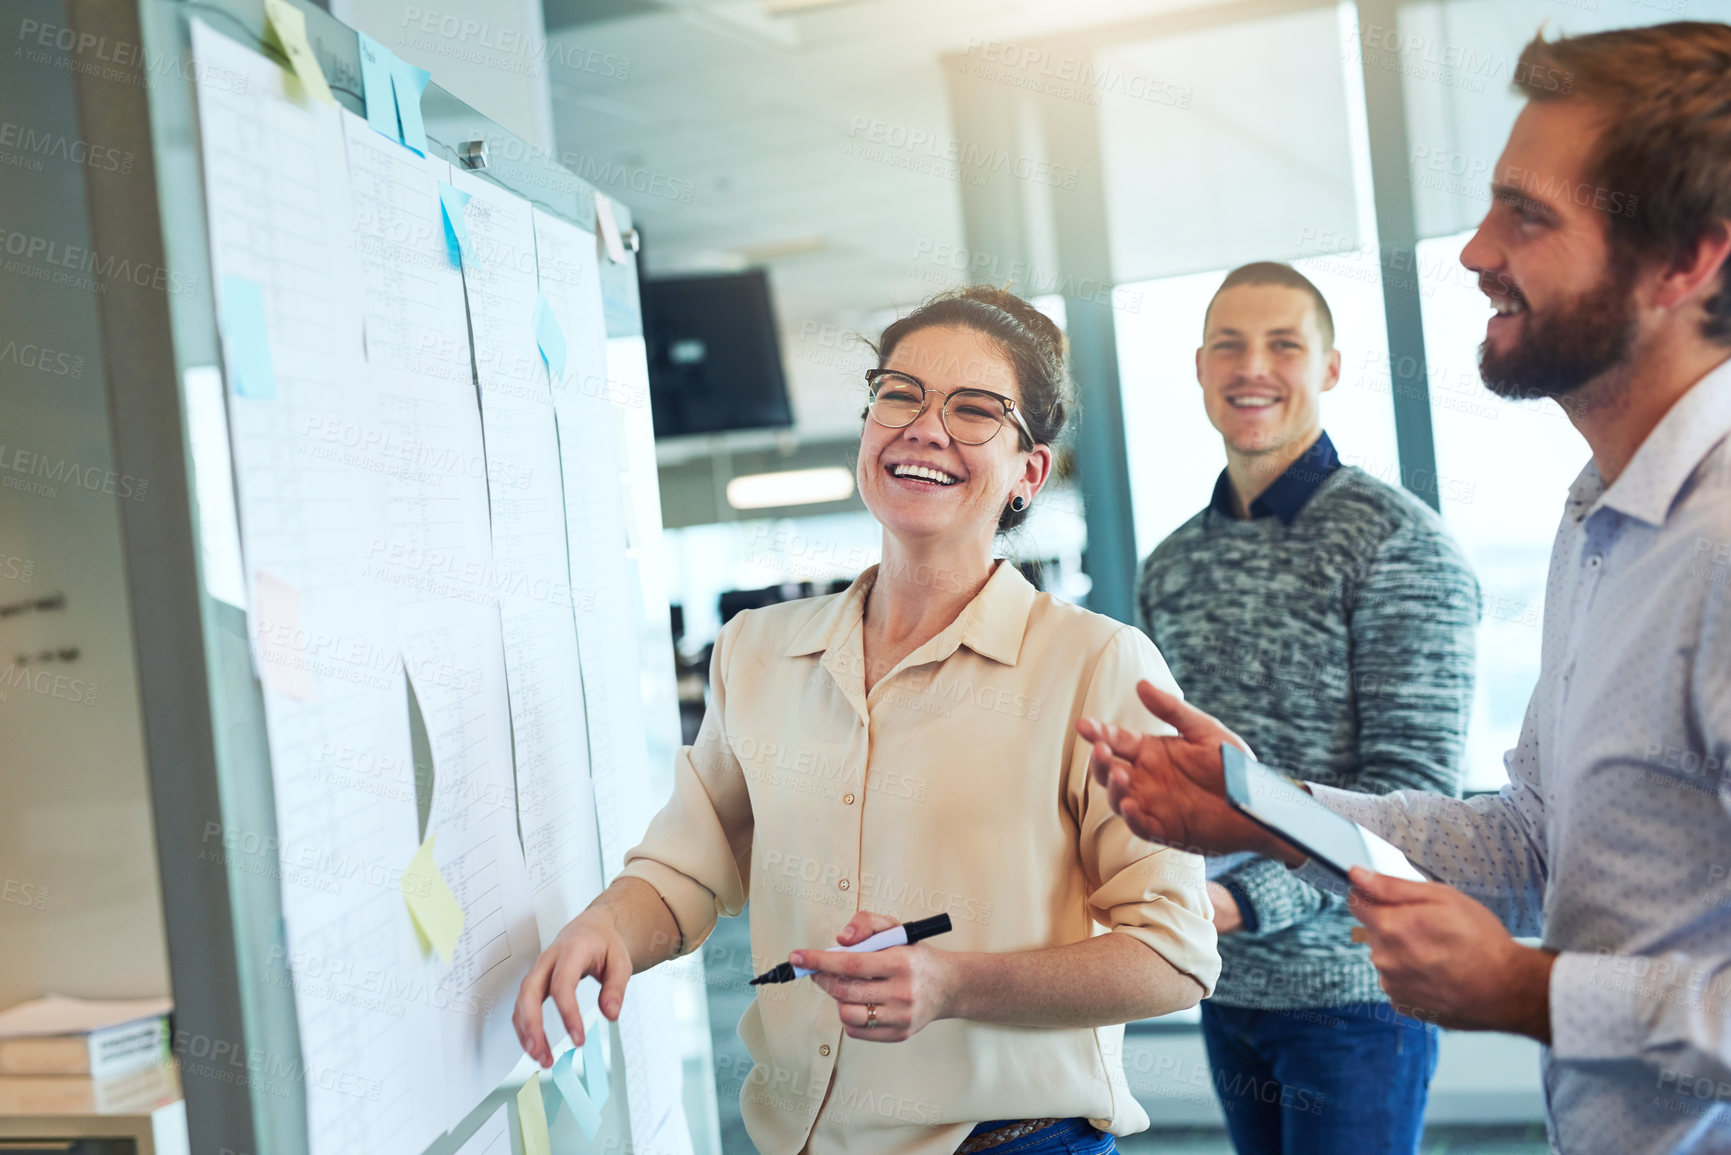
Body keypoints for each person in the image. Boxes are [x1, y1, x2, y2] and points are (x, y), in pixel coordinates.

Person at [1081, 22, 1731, 1155]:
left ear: (1687, 261)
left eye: (1527, 215)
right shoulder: (1600, 522)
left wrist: (1530, 994)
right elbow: (1530, 848)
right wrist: (1260, 812)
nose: (1476, 250)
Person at [515, 286, 1221, 1155]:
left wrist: (952, 984)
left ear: (1027, 472)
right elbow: (686, 873)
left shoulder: (1093, 665)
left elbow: (1174, 955)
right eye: (900, 394)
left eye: (973, 412)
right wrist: (608, 924)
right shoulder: (756, 652)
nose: (924, 428)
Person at [1137, 261, 1479, 1153]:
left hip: (1358, 997)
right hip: (1221, 982)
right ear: (1200, 367)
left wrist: (1239, 902)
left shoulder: (1398, 544)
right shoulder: (1169, 567)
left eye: (1283, 344)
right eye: (1229, 345)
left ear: (1328, 368)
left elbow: (1414, 812)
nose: (1252, 366)